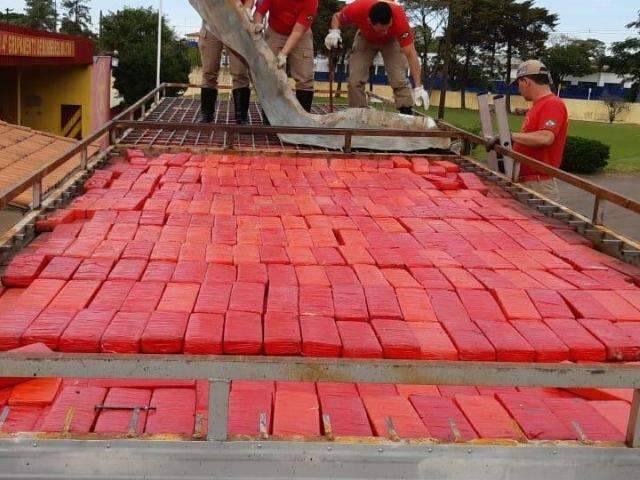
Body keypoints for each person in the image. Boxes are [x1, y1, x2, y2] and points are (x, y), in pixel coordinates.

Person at [325, 0, 429, 114]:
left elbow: (411, 54)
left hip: (391, 40)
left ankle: (406, 112)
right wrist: (334, 32)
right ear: (369, 21)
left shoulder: (399, 17)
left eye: (388, 27)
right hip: (365, 38)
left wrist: (418, 86)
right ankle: (357, 113)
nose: (385, 32)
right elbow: (337, 17)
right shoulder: (357, 8)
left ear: (391, 19)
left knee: (398, 77)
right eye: (381, 29)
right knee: (355, 79)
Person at [490, 60, 568, 202]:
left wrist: (509, 136)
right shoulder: (538, 105)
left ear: (525, 81)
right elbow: (531, 141)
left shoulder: (552, 104)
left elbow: (545, 138)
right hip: (529, 181)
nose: (518, 89)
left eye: (518, 83)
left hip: (538, 185)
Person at [253, 0, 318, 114]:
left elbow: (298, 31)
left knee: (305, 76)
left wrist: (283, 54)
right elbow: (259, 11)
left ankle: (302, 121)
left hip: (302, 34)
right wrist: (258, 23)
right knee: (271, 74)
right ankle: (270, 117)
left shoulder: (311, 1)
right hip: (275, 31)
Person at [199, 1, 255, 124]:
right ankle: (206, 115)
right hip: (211, 23)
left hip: (236, 25)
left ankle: (242, 116)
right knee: (209, 71)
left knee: (240, 72)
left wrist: (246, 9)